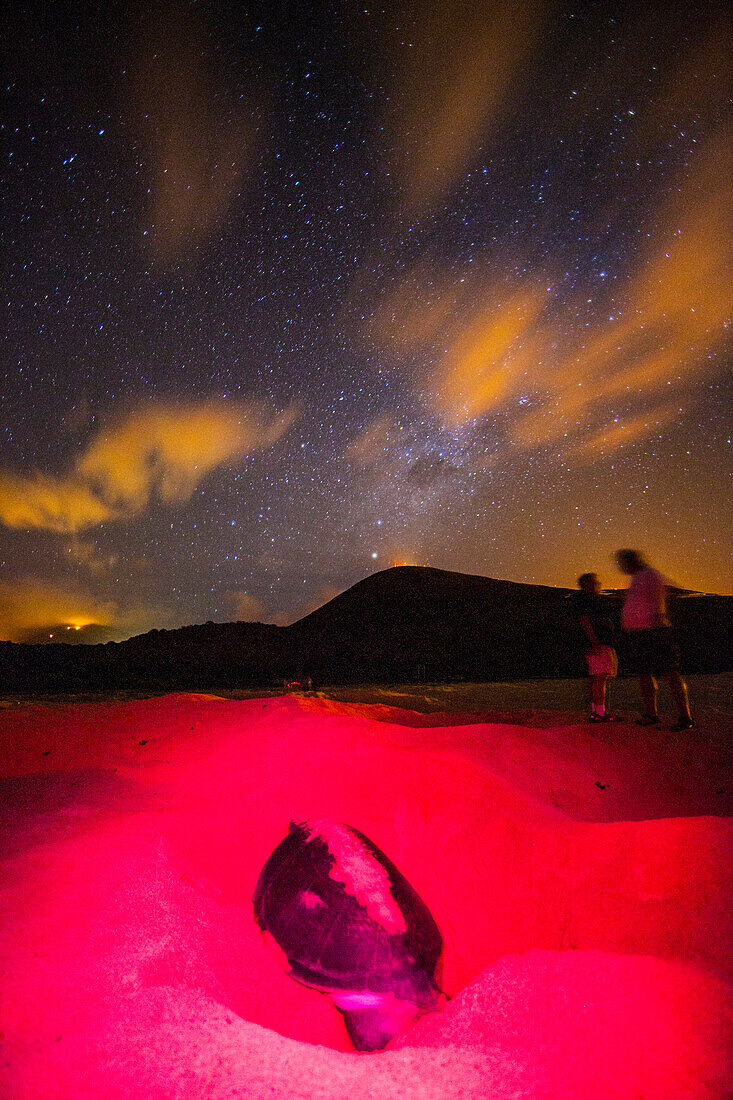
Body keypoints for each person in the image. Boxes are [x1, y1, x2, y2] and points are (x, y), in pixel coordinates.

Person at [615, 549, 694, 730]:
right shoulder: (637, 577)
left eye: (623, 563)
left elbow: (661, 597)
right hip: (640, 633)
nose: (621, 567)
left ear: (631, 561)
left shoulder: (649, 574)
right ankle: (651, 714)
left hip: (654, 632)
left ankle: (685, 717)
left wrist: (659, 620)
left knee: (669, 672)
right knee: (644, 673)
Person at [575, 573, 619, 722]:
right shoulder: (588, 600)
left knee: (596, 677)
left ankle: (595, 712)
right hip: (598, 643)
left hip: (594, 643)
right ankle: (600, 714)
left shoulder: (583, 600)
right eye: (595, 582)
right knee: (600, 677)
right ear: (588, 584)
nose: (598, 585)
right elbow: (585, 620)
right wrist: (594, 640)